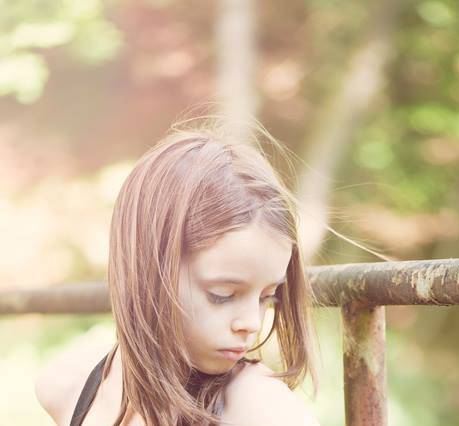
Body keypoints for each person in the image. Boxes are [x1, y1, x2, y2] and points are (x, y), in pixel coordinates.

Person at [34, 113, 324, 426]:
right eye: (222, 295)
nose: (252, 323)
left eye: (268, 297)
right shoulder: (66, 385)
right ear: (147, 273)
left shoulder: (260, 407)